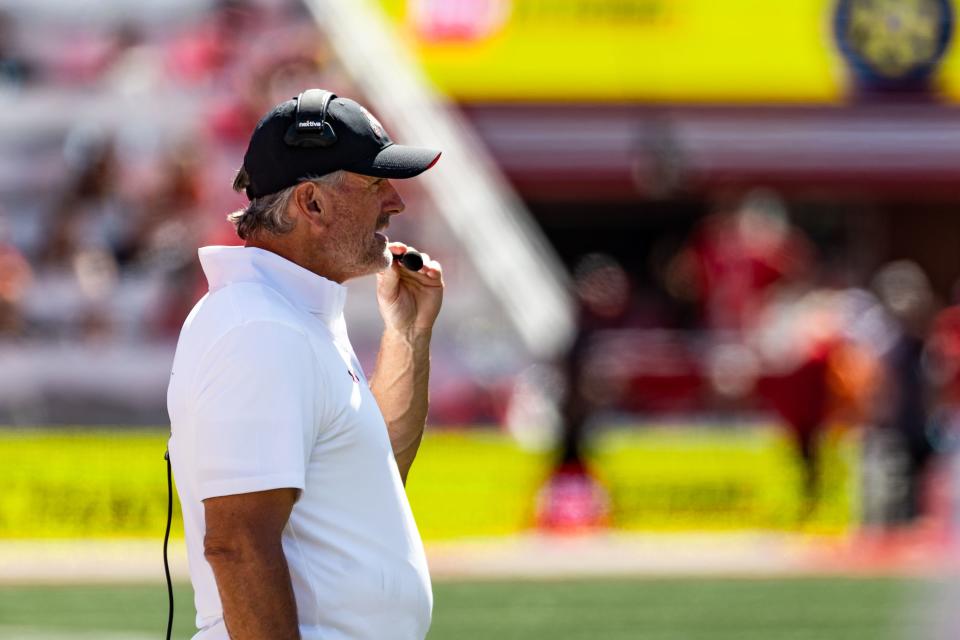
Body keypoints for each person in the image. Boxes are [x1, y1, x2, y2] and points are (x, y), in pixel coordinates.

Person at [167, 89, 443, 640]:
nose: (396, 202)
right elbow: (238, 543)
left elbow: (373, 476)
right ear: (311, 203)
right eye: (374, 184)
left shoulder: (288, 315)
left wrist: (407, 333)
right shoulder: (260, 328)